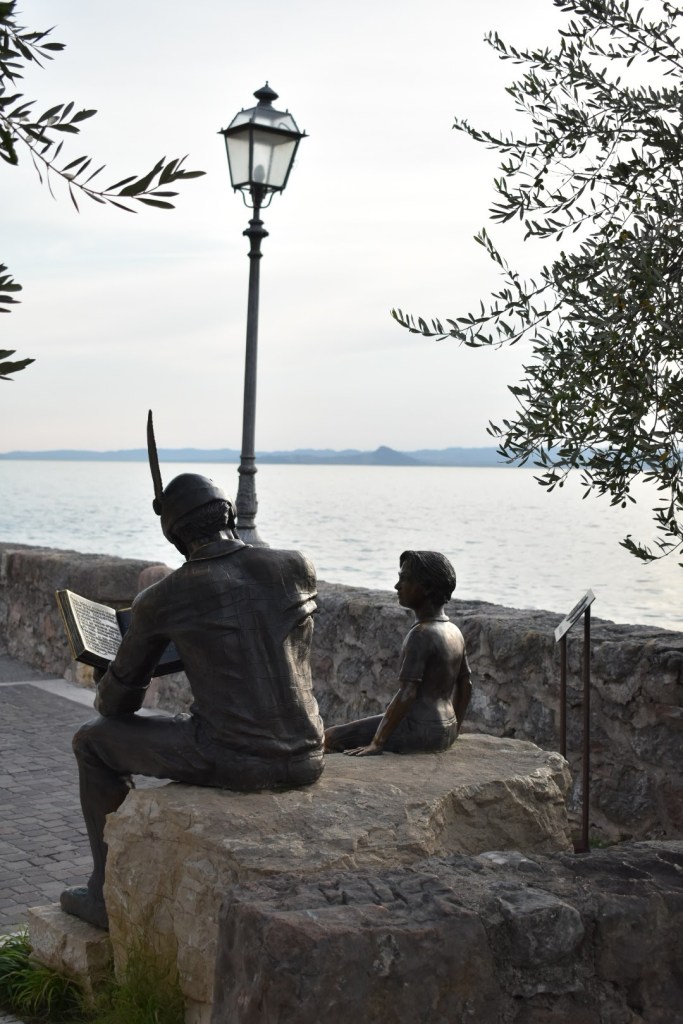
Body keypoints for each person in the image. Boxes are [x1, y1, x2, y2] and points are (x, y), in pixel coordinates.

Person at [60, 423, 324, 931]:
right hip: (308, 749)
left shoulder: (165, 596)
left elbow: (116, 708)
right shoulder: (297, 566)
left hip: (236, 756)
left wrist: (110, 669)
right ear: (228, 514)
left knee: (92, 742)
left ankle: (105, 895)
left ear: (176, 535)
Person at [324, 550, 471, 757]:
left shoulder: (421, 634)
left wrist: (377, 742)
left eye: (404, 579)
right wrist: (455, 728)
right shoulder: (454, 632)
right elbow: (466, 684)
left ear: (427, 588)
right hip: (446, 728)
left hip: (421, 730)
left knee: (331, 737)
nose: (397, 586)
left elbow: (407, 693)